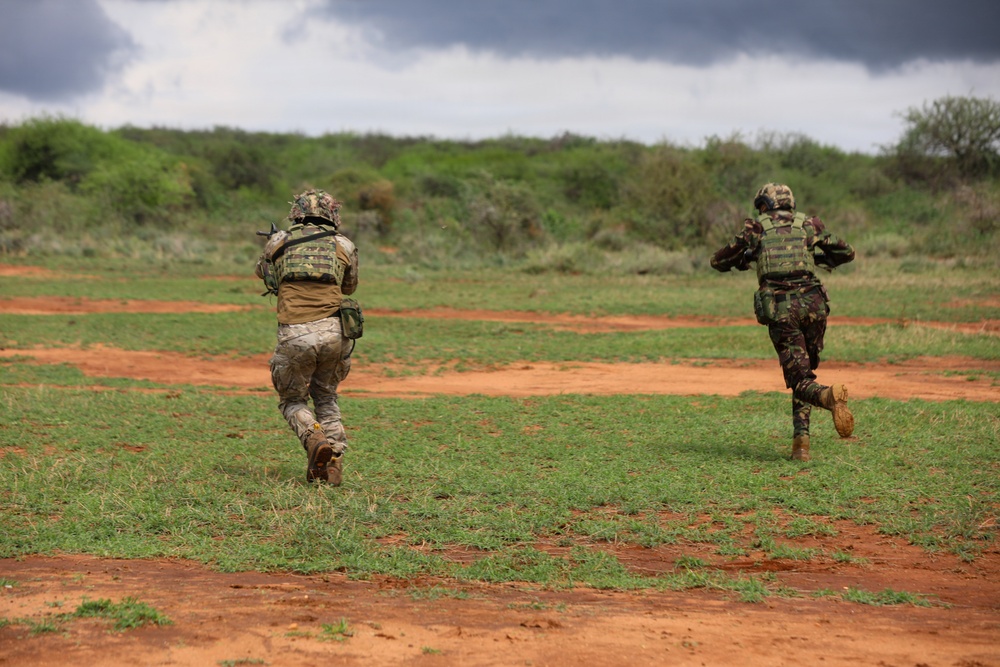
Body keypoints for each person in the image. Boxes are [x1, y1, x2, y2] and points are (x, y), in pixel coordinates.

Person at [711, 183, 856, 461]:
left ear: (765, 205)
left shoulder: (756, 229)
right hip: (814, 306)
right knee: (805, 371)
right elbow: (847, 252)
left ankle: (829, 397)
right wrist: (817, 256)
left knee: (800, 378)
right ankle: (801, 446)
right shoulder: (809, 225)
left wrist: (744, 258)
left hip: (782, 309)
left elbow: (718, 260)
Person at [254, 189, 359, 484]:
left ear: (297, 214)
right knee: (326, 397)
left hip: (295, 334)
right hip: (335, 334)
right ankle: (334, 463)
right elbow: (349, 287)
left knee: (292, 401)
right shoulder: (344, 244)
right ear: (331, 215)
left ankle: (314, 439)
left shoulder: (280, 242)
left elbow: (263, 273)